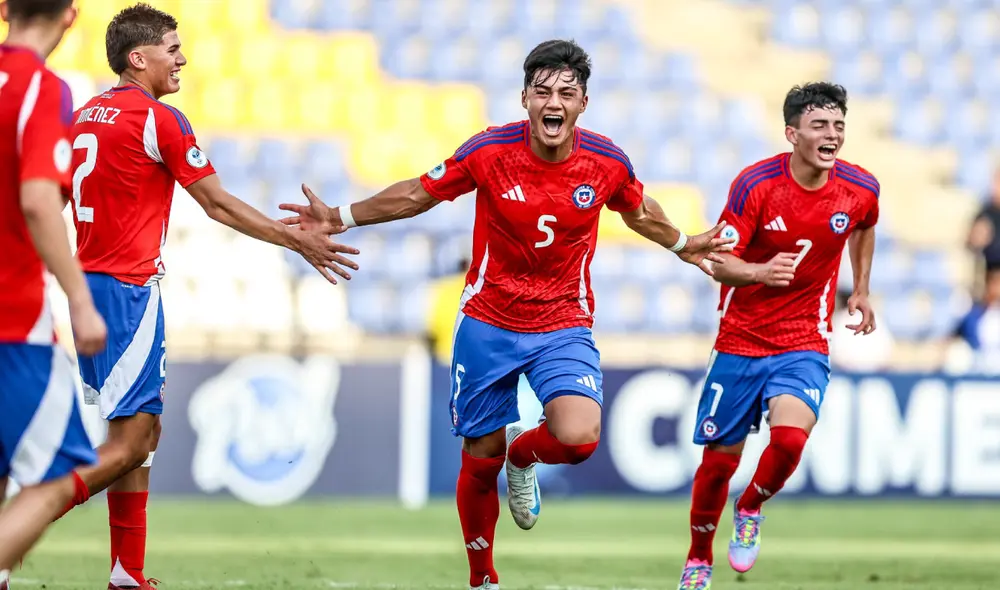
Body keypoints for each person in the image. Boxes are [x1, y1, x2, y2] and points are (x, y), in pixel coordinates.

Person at [279, 39, 733, 590]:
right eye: (542, 90)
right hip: (489, 321)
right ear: (524, 98)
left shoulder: (607, 162)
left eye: (566, 92)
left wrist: (685, 243)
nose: (554, 101)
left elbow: (639, 211)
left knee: (579, 436)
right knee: (479, 454)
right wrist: (342, 217)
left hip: (563, 320)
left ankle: (525, 454)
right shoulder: (490, 151)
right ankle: (482, 578)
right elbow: (419, 194)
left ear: (583, 104)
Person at [60, 4, 359, 589]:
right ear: (137, 58)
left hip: (88, 286)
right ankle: (29, 513)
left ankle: (127, 571)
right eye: (172, 49)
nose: (183, 59)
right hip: (126, 291)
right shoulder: (160, 119)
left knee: (137, 433)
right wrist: (294, 240)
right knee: (136, 436)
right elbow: (216, 203)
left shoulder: (83, 117)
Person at [676, 82, 880, 590]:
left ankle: (751, 507)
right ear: (792, 134)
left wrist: (861, 290)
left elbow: (865, 224)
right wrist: (762, 273)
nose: (831, 135)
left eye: (838, 126)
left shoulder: (860, 187)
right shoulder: (756, 185)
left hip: (803, 338)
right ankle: (699, 557)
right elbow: (717, 262)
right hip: (740, 339)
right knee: (718, 464)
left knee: (789, 438)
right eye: (819, 126)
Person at [0, 0, 106, 587]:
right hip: (12, 323)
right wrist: (80, 299)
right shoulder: (41, 88)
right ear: (70, 16)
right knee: (58, 477)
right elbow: (40, 200)